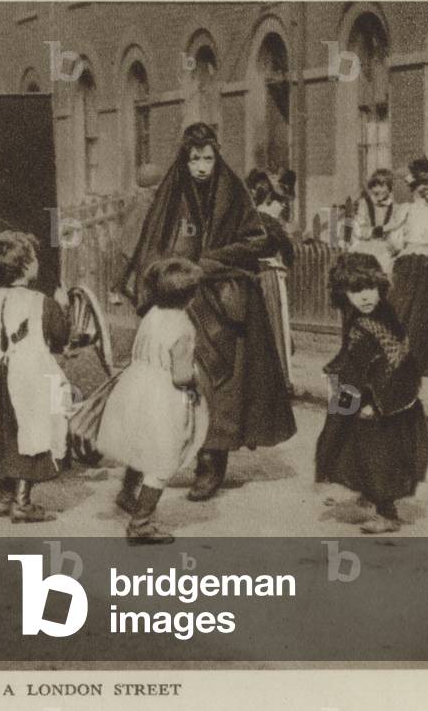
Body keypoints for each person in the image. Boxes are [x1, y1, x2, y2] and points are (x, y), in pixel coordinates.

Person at [119, 122, 296, 503]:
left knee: (222, 387)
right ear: (185, 160)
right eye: (194, 159)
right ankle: (151, 465)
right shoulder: (172, 195)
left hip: (227, 302)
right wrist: (170, 277)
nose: (201, 166)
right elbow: (153, 247)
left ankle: (211, 464)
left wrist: (210, 262)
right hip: (183, 302)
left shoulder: (233, 192)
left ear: (217, 158)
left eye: (208, 158)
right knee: (179, 383)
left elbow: (256, 240)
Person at [74, 258, 209, 544]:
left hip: (135, 387)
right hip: (164, 397)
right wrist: (197, 381)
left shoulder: (151, 314)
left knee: (140, 444)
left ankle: (127, 493)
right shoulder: (183, 326)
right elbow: (181, 376)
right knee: (163, 457)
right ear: (191, 297)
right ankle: (141, 523)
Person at [315, 253, 428, 534]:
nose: (365, 296)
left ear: (380, 287)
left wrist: (374, 402)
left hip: (383, 399)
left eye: (370, 288)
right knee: (351, 442)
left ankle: (387, 513)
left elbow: (394, 360)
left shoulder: (378, 320)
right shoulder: (360, 317)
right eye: (356, 290)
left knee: (379, 456)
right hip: (368, 392)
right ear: (343, 294)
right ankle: (367, 492)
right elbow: (353, 357)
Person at [0, 231, 71, 523]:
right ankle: (23, 503)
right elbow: (60, 336)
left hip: (0, 373)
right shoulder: (41, 301)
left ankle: (5, 498)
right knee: (34, 431)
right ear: (26, 265)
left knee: (5, 434)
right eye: (35, 258)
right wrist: (63, 308)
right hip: (32, 375)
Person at [387, 158, 428, 376]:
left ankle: (417, 362)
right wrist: (399, 252)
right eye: (423, 185)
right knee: (402, 309)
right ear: (414, 187)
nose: (427, 190)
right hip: (408, 263)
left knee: (425, 315)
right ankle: (394, 358)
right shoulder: (406, 210)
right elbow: (395, 239)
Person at [245, 167, 297, 389]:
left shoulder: (248, 220)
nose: (282, 206)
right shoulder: (270, 224)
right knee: (274, 325)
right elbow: (289, 253)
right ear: (268, 200)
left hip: (250, 277)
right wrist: (284, 265)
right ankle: (276, 380)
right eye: (279, 201)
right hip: (268, 278)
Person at [347, 168, 396, 275]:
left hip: (385, 246)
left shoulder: (394, 207)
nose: (377, 190)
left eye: (382, 186)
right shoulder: (364, 204)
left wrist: (392, 243)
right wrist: (376, 231)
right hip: (366, 244)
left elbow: (394, 231)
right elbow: (360, 229)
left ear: (389, 188)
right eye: (374, 186)